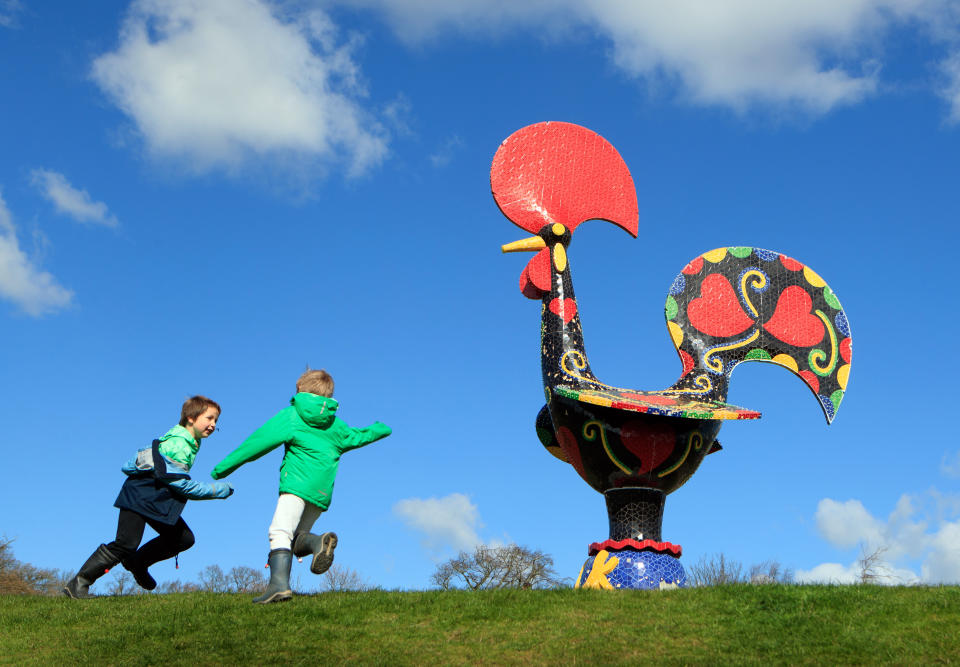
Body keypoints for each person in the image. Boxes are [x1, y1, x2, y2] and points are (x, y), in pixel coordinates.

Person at [211, 369, 391, 604]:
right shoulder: (335, 425)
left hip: (296, 486)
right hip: (321, 493)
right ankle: (316, 543)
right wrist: (380, 428)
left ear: (299, 390)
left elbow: (256, 443)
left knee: (279, 532)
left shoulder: (292, 415)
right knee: (296, 540)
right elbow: (359, 436)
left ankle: (279, 586)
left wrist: (222, 468)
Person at [62, 395, 234, 598]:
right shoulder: (178, 444)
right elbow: (183, 486)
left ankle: (137, 562)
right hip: (139, 496)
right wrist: (218, 490)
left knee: (183, 538)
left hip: (155, 499)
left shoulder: (189, 442)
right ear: (190, 418)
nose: (213, 425)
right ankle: (78, 584)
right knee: (125, 544)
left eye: (216, 421)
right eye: (209, 418)